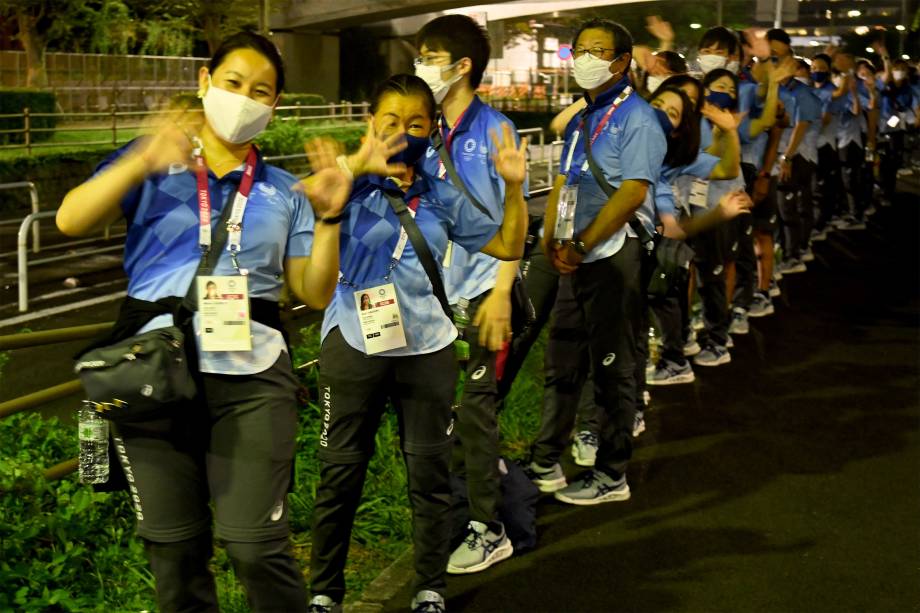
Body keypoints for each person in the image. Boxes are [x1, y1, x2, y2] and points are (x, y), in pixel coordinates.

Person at [56, 32, 353, 612]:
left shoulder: (283, 190)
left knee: (254, 545)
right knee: (174, 553)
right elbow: (70, 219)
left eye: (260, 92)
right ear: (204, 80)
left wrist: (331, 218)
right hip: (153, 380)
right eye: (233, 83)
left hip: (253, 382)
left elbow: (313, 293)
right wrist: (143, 157)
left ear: (275, 106)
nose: (243, 99)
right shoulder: (152, 164)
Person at [307, 74, 527, 613]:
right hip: (353, 344)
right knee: (340, 473)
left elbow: (505, 243)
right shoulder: (344, 182)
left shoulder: (441, 193)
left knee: (428, 475)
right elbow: (312, 249)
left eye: (415, 124)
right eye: (391, 122)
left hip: (426, 350)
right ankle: (324, 592)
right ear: (370, 125)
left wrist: (515, 187)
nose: (402, 133)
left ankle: (430, 586)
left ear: (431, 132)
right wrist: (353, 172)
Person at [534, 18, 667, 505]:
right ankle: (548, 455)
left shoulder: (638, 118)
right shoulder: (584, 118)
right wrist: (552, 240)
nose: (585, 60)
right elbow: (566, 185)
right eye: (579, 51)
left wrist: (582, 244)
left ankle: (613, 472)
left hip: (612, 254)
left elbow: (633, 192)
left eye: (597, 51)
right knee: (564, 357)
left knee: (613, 365)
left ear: (622, 61)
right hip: (578, 254)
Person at [413, 14, 527, 575]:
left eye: (429, 55)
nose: (419, 64)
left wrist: (502, 293)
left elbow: (512, 219)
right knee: (443, 414)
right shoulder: (421, 128)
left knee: (477, 413)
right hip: (432, 298)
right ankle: (456, 510)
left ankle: (490, 528)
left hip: (484, 292)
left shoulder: (497, 130)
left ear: (461, 67)